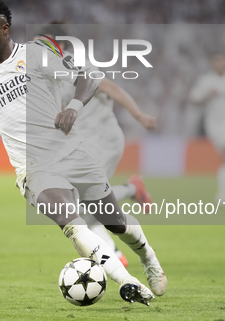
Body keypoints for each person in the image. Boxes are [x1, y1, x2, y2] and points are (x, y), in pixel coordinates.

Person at [0, 0, 166, 306]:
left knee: (113, 221)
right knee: (72, 223)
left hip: (71, 153)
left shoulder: (37, 55)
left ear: (5, 29)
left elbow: (89, 77)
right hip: (33, 167)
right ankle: (127, 281)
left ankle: (149, 259)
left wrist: (74, 106)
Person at [34, 24, 157, 267]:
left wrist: (138, 115)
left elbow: (111, 88)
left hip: (103, 139)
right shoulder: (49, 72)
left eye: (42, 44)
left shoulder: (76, 64)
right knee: (82, 206)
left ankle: (130, 196)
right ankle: (115, 252)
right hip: (84, 143)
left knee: (84, 203)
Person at [190, 54, 225, 201]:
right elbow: (194, 99)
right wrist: (207, 95)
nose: (220, 65)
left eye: (223, 62)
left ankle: (223, 193)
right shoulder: (206, 81)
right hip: (213, 123)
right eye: (217, 62)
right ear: (213, 64)